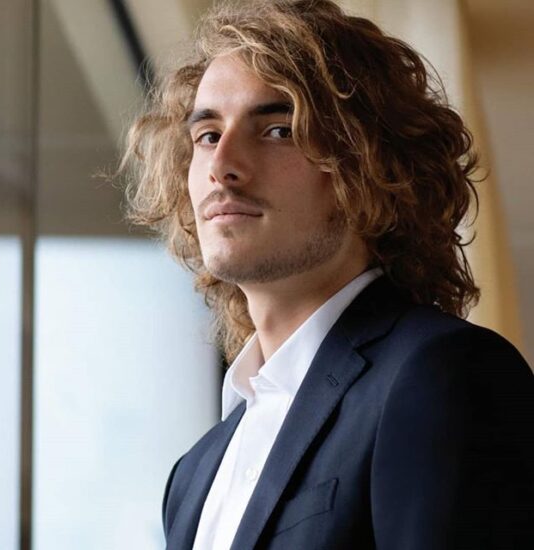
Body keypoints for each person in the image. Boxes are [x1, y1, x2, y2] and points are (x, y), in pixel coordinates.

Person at [121, 0, 534, 548]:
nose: (222, 166)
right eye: (208, 135)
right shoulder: (194, 473)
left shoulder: (444, 374)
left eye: (278, 130)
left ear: (369, 165)